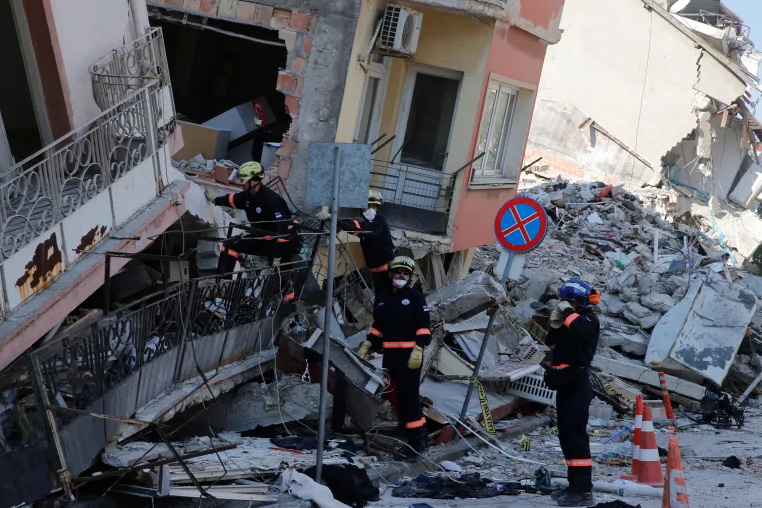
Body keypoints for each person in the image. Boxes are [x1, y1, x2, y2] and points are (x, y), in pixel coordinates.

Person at [357, 256, 430, 459]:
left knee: (409, 400)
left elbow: (424, 328)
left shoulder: (416, 298)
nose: (401, 275)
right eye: (398, 271)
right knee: (401, 399)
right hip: (391, 357)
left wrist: (419, 348)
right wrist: (368, 343)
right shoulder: (383, 297)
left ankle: (416, 445)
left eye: (406, 273)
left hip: (409, 358)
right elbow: (378, 325)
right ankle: (421, 437)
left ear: (410, 277)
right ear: (390, 273)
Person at [544, 279, 600, 507]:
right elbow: (551, 344)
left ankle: (583, 490)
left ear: (575, 303)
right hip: (565, 386)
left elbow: (581, 331)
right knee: (567, 437)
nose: (561, 304)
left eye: (565, 301)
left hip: (577, 385)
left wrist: (567, 313)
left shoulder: (589, 320)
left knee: (576, 438)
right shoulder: (571, 324)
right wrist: (556, 326)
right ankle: (573, 485)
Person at [208, 161, 300, 279]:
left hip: (284, 243)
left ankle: (286, 288)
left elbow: (283, 229)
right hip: (263, 238)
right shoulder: (248, 196)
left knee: (281, 277)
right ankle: (223, 281)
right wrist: (215, 200)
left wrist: (276, 254)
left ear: (255, 181)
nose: (241, 184)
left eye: (244, 180)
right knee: (230, 245)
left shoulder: (272, 201)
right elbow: (233, 200)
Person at [325, 190, 395, 294]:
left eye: (374, 206)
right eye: (367, 206)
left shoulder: (380, 222)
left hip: (389, 273)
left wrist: (335, 219)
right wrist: (339, 224)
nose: (371, 209)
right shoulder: (369, 223)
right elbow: (357, 229)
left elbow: (363, 229)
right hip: (377, 274)